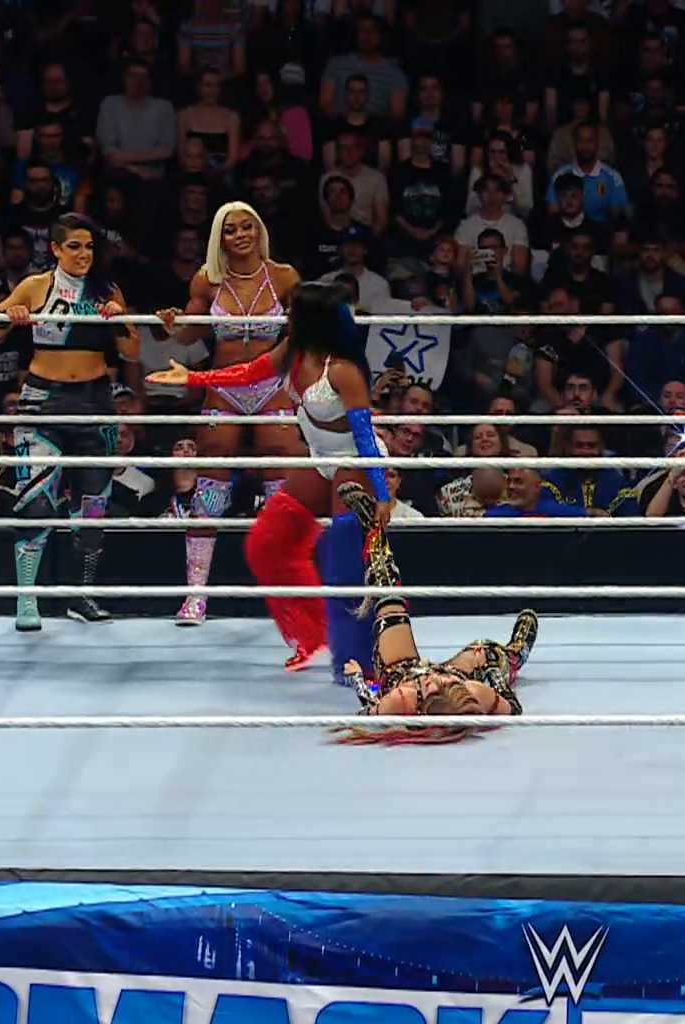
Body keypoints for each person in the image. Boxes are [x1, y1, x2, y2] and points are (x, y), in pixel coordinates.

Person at [148, 280, 396, 671]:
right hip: (321, 459)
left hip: (357, 463)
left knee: (344, 558)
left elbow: (364, 437)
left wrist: (381, 494)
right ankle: (312, 633)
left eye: (294, 310)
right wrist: (193, 379)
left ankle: (361, 658)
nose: (286, 315)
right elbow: (248, 373)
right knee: (268, 541)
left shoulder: (344, 371)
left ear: (312, 318)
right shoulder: (292, 351)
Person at [153, 201, 308, 632]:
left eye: (246, 227)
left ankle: (290, 596)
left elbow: (306, 327)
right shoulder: (207, 279)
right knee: (210, 486)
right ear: (219, 238)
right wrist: (172, 324)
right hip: (223, 386)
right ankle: (195, 595)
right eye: (230, 229)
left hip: (271, 386)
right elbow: (190, 331)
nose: (240, 235)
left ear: (259, 231)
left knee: (282, 486)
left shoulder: (284, 276)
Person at [0, 214, 141, 632]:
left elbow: (132, 350)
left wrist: (117, 318)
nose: (84, 254)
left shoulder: (106, 290)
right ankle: (27, 598)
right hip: (43, 402)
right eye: (74, 246)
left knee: (92, 507)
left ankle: (81, 595)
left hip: (96, 402)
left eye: (89, 246)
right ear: (55, 249)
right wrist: (12, 314)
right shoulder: (36, 285)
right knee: (36, 500)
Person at [330, 482, 540, 745]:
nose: (432, 679)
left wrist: (358, 681)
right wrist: (493, 678)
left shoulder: (402, 699)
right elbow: (512, 708)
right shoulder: (473, 692)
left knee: (387, 596)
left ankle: (372, 529)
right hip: (459, 675)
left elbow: (368, 710)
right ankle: (516, 650)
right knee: (486, 652)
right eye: (444, 685)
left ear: (421, 710)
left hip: (399, 671)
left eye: (430, 690)